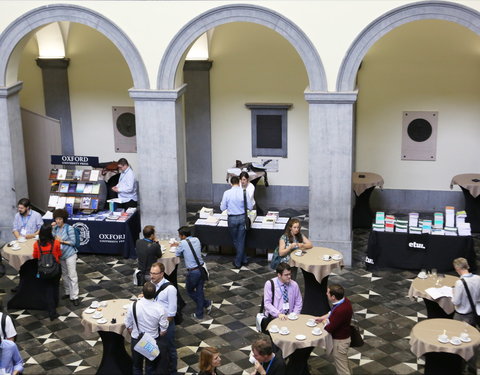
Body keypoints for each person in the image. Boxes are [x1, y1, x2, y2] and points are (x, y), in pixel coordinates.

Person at [125, 282, 169, 375]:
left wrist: (134, 334)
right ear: (155, 293)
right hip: (152, 341)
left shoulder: (133, 305)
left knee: (136, 367)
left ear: (142, 292)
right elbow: (164, 330)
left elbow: (128, 325)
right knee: (151, 367)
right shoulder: (160, 309)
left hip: (137, 339)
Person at [172, 226, 212, 321]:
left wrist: (178, 245)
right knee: (199, 291)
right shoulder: (196, 240)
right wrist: (180, 244)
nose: (179, 237)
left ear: (183, 235)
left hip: (193, 272)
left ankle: (206, 303)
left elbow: (177, 253)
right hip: (201, 269)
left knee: (189, 290)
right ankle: (199, 313)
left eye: (180, 236)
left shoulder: (182, 243)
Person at [315, 284, 353, 375]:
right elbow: (332, 312)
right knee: (344, 363)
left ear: (333, 297)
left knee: (342, 369)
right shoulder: (344, 301)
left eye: (328, 293)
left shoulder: (340, 310)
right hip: (344, 339)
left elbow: (329, 328)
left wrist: (324, 321)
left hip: (339, 343)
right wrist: (322, 317)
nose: (326, 294)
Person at [150, 262, 178, 375]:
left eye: (155, 274)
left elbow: (172, 313)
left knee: (170, 349)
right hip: (153, 324)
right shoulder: (151, 284)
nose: (152, 276)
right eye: (151, 273)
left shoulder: (170, 289)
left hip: (167, 325)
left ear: (162, 274)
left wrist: (163, 327)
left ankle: (173, 372)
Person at [220, 176, 253, 269]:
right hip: (242, 217)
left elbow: (222, 208)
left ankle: (238, 262)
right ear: (239, 182)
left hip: (231, 218)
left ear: (230, 183)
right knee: (241, 240)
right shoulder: (244, 192)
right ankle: (244, 259)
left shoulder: (226, 193)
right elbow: (250, 207)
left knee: (235, 240)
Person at [32, 223, 62, 321]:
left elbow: (35, 256)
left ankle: (51, 309)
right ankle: (55, 305)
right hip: (55, 269)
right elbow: (59, 254)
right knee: (55, 286)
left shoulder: (36, 244)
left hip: (43, 270)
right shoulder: (56, 243)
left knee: (48, 289)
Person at [51, 208, 79, 306]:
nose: (58, 221)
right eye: (56, 219)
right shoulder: (56, 228)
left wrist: (62, 241)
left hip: (70, 254)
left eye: (60, 219)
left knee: (72, 275)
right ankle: (68, 292)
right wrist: (52, 228)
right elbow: (52, 236)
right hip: (61, 255)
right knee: (64, 274)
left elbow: (73, 242)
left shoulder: (69, 228)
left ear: (63, 219)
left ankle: (74, 296)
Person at [452, 257, 480, 326]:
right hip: (474, 312)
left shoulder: (459, 283)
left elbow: (456, 302)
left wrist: (453, 293)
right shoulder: (478, 278)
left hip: (461, 315)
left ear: (457, 269)